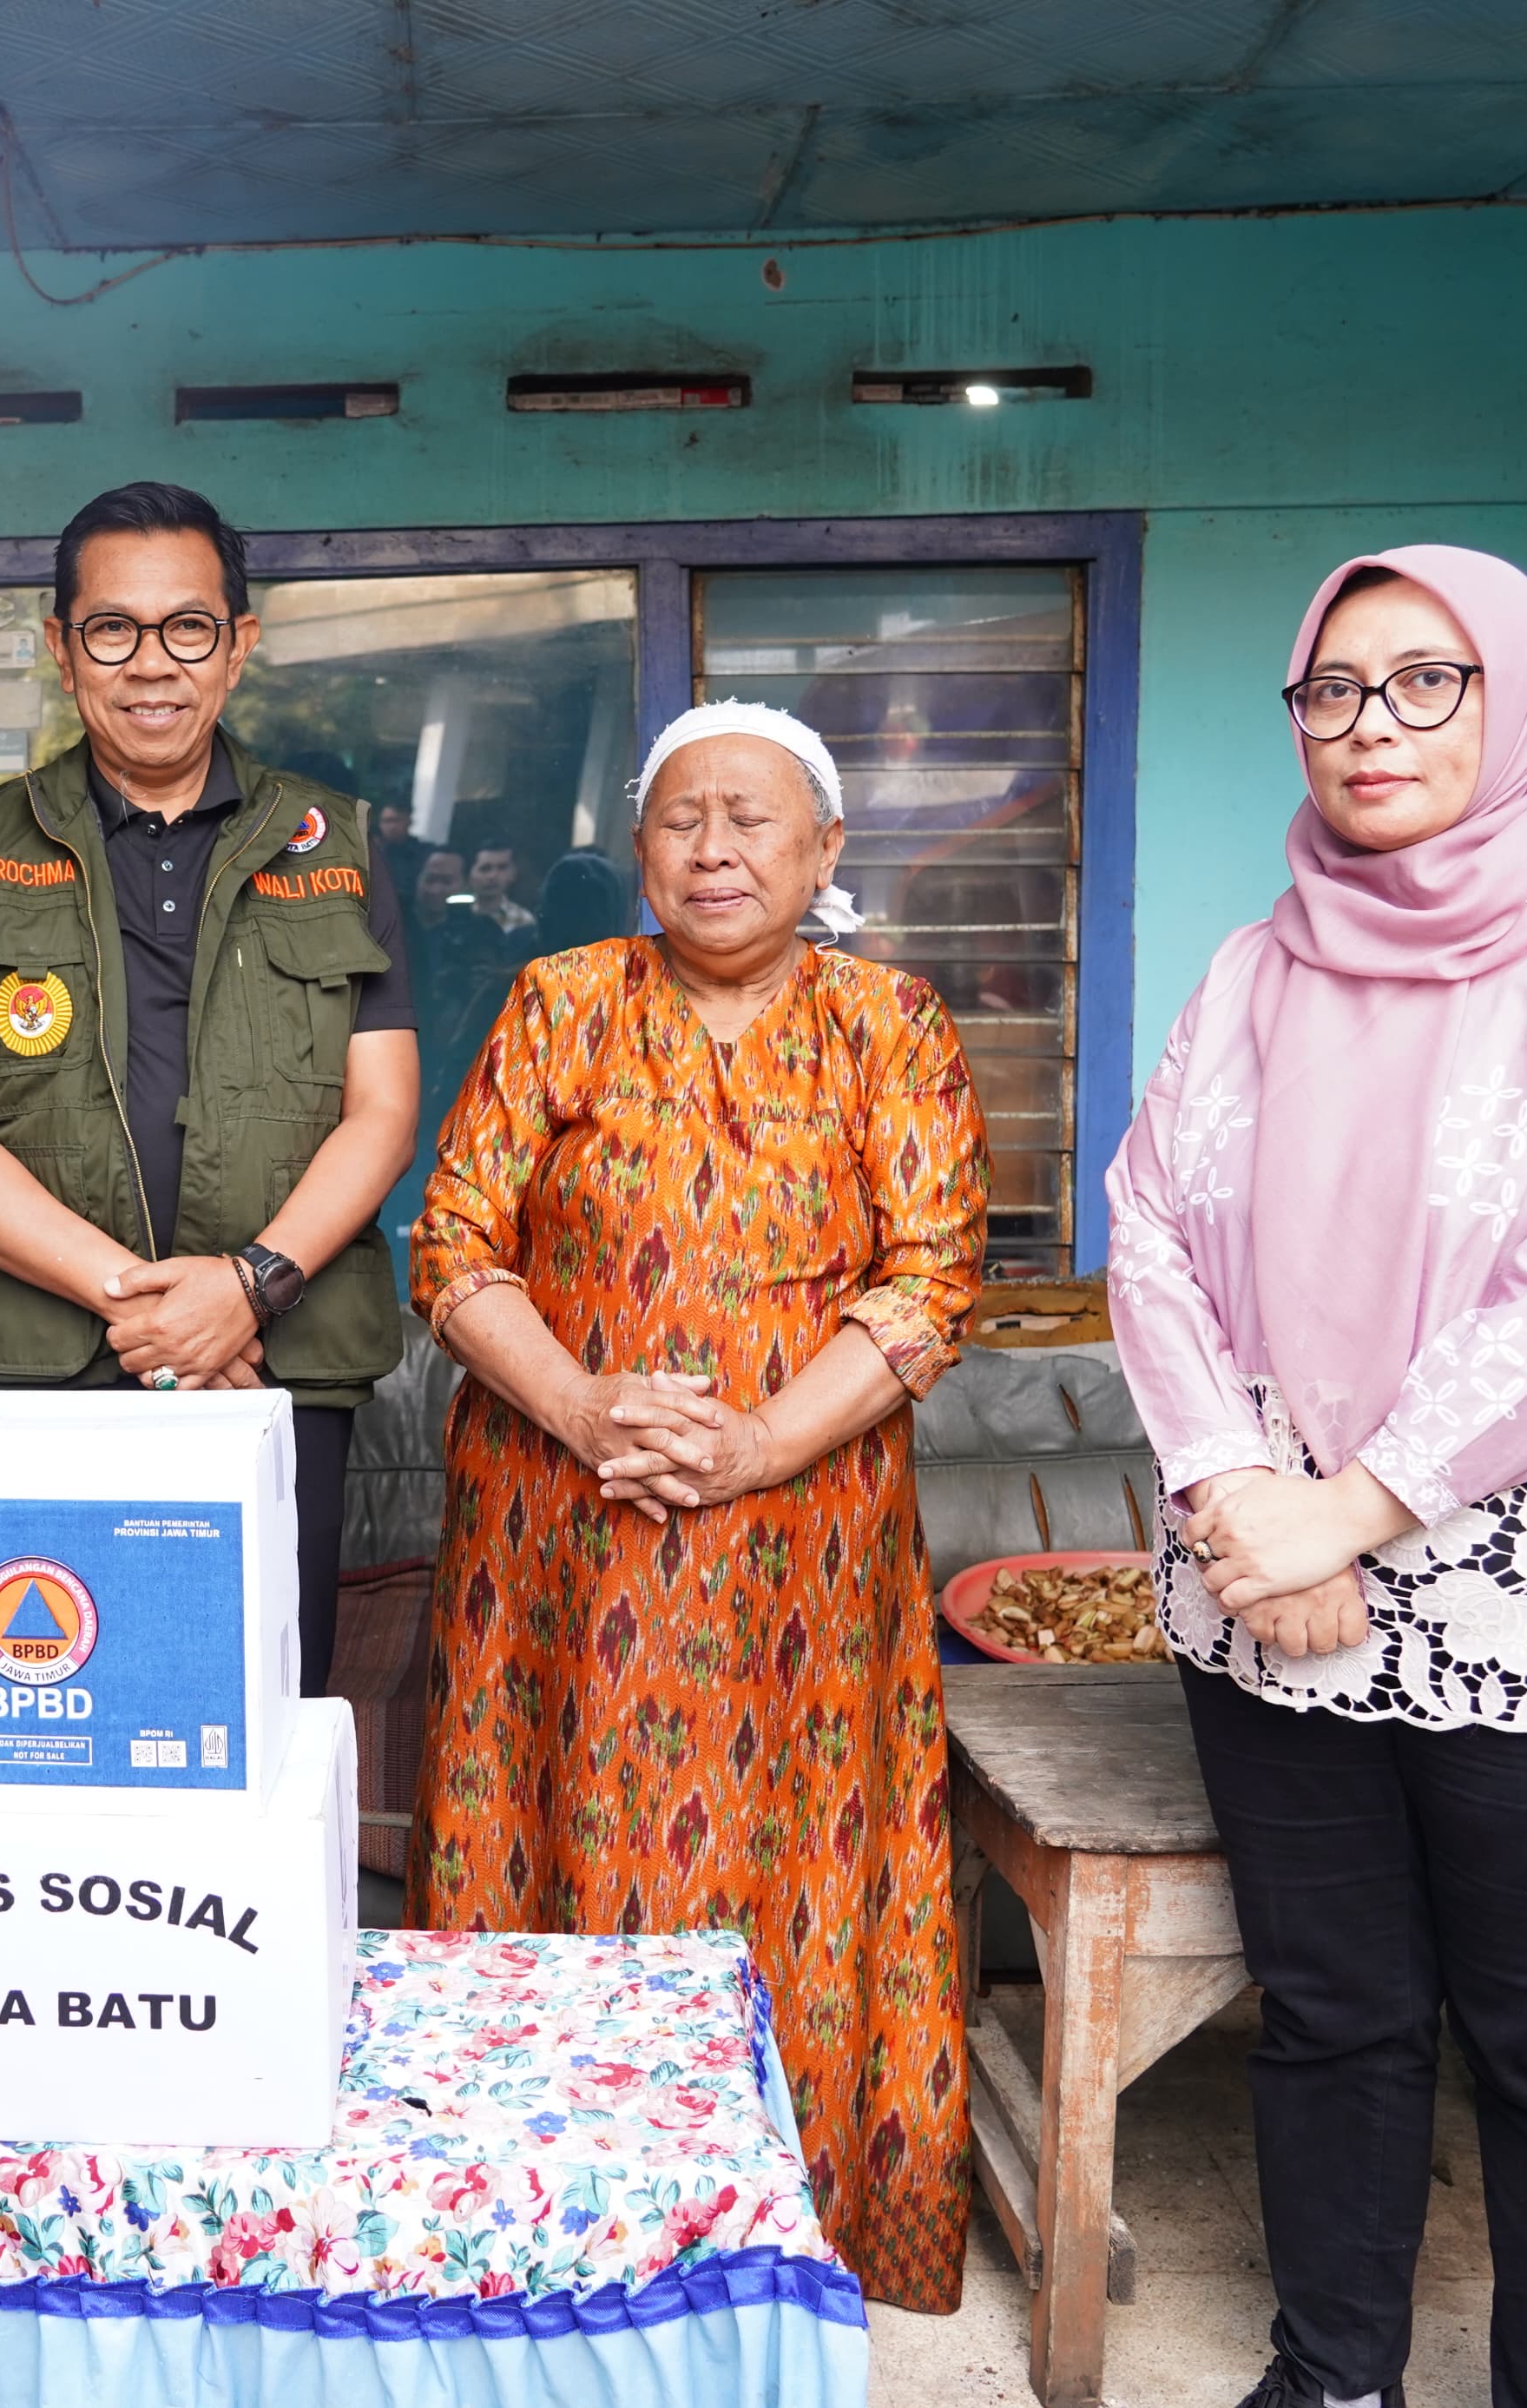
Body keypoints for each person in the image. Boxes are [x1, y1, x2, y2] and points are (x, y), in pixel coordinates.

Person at [1105, 549, 1527, 2408]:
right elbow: (1148, 1230)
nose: (1369, 725)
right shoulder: (1253, 967)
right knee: (1331, 2015)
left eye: (1426, 681)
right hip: (1267, 1578)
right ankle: (1334, 2377)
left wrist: (1355, 1503)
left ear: (1517, 700)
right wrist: (1244, 1492)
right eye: (1331, 688)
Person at [406, 701, 989, 2308]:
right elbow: (454, 1246)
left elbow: (932, 1282)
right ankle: (546, 2237)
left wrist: (757, 1447)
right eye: (680, 818)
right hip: (557, 1536)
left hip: (805, 1550)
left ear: (826, 847)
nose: (714, 848)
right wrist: (584, 1404)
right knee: (552, 1833)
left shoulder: (892, 1024)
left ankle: (783, 2234)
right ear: (640, 846)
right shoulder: (559, 1001)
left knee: (802, 1857)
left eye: (752, 817)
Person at [0, 480, 416, 1690]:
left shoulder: (336, 847)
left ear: (239, 644)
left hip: (277, 1368)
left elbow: (384, 1112)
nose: (151, 663)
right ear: (61, 648)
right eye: (112, 629)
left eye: (187, 627)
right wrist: (159, 1312)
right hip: (46, 1367)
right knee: (54, 1692)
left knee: (266, 1700)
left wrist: (250, 1286)